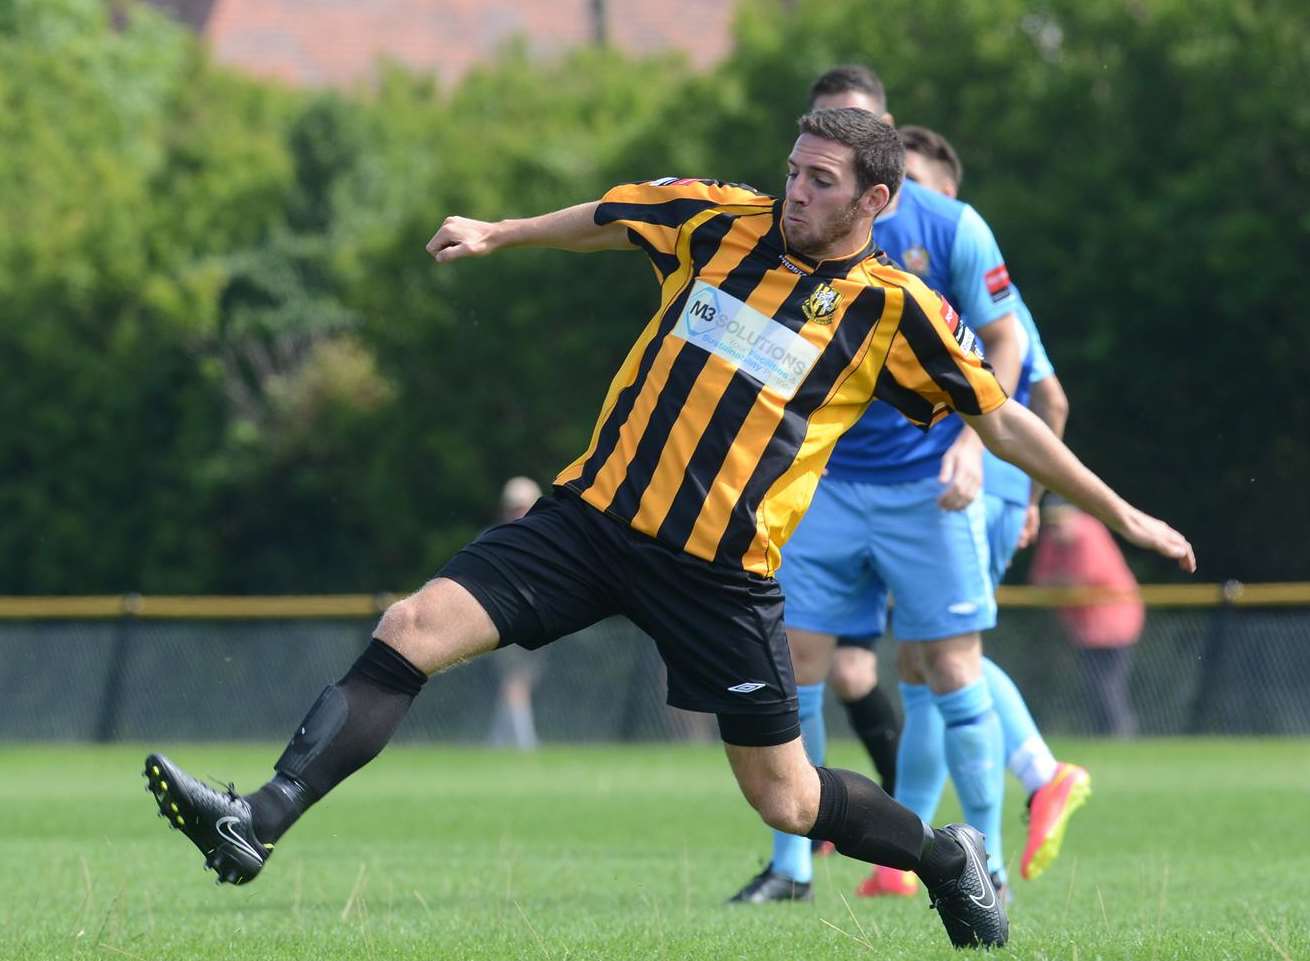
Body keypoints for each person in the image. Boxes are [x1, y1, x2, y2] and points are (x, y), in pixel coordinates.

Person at [142, 107, 1193, 951]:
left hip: (719, 578)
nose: (794, 190)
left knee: (785, 801)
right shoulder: (716, 220)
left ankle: (943, 857)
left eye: (820, 181)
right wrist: (500, 232)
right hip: (590, 521)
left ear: (876, 198)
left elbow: (1000, 415)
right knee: (414, 624)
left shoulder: (891, 307)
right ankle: (258, 818)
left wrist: (1119, 509)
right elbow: (608, 214)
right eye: (792, 168)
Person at [729, 67, 1080, 906]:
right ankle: (795, 862)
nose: (824, 165)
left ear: (885, 140)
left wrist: (974, 448)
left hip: (934, 482)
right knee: (806, 662)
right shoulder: (791, 226)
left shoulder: (950, 227)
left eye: (853, 134)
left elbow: (1014, 355)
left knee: (946, 664)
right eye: (816, 143)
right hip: (826, 481)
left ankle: (983, 850)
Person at [1030, 496, 1145, 737]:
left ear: (1074, 516)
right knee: (1094, 685)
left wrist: (1057, 582)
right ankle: (1105, 734)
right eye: (1052, 522)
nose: (1057, 528)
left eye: (1061, 520)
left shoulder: (1088, 532)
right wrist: (1058, 583)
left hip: (1115, 622)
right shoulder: (1053, 538)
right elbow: (1039, 579)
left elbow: (1080, 580)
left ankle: (1119, 733)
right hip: (1084, 627)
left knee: (1107, 684)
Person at [486, 476, 546, 749]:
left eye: (522, 506)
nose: (517, 512)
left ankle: (497, 742)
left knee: (517, 686)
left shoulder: (542, 539)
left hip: (534, 624)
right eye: (513, 507)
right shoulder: (496, 541)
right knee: (516, 684)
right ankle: (525, 744)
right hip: (506, 623)